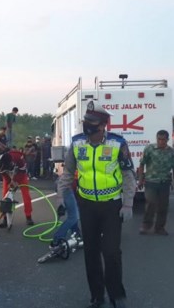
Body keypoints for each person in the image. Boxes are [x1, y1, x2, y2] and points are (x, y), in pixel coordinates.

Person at [57, 101, 135, 308]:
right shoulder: (77, 143)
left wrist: (128, 204)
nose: (87, 125)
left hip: (111, 206)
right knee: (90, 253)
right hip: (87, 205)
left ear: (102, 125)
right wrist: (60, 198)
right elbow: (66, 174)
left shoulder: (118, 143)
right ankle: (97, 296)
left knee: (111, 252)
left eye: (91, 122)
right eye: (86, 121)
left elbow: (128, 176)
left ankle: (116, 294)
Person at [138, 130, 174, 236]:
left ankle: (160, 227)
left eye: (163, 139)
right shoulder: (149, 149)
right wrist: (140, 179)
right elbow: (142, 164)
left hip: (165, 182)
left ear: (167, 140)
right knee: (150, 203)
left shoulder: (171, 152)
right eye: (159, 139)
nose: (161, 141)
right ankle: (146, 225)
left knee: (163, 206)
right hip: (151, 181)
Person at [0, 149, 35, 226]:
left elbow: (23, 171)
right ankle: (5, 218)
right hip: (8, 177)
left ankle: (28, 217)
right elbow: (3, 174)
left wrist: (16, 181)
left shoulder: (18, 157)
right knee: (5, 197)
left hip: (21, 176)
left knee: (26, 196)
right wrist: (10, 182)